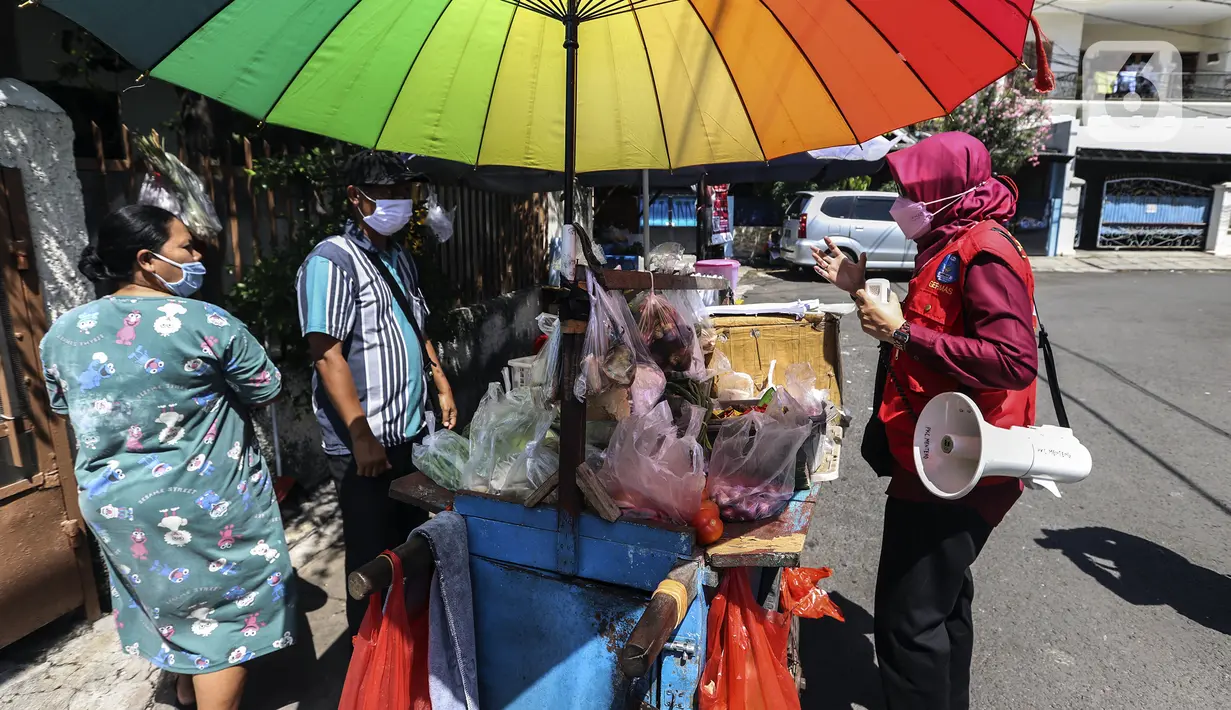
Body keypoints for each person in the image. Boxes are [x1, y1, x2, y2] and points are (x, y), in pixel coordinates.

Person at [813, 132, 1039, 710]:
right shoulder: (949, 241)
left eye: (912, 190)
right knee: (943, 603)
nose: (900, 201)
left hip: (964, 464)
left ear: (949, 190)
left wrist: (903, 333)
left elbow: (1013, 361)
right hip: (933, 449)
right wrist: (858, 287)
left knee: (907, 624)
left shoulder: (986, 251)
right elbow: (935, 327)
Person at [40, 205, 294, 710]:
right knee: (224, 624)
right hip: (204, 503)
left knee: (171, 606)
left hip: (117, 507)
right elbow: (266, 386)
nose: (198, 256)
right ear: (147, 259)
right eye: (186, 246)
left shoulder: (62, 333)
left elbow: (66, 404)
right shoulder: (205, 322)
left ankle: (184, 689)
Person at [295, 150, 456, 636]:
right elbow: (327, 355)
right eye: (383, 192)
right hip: (364, 443)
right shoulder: (332, 262)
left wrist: (439, 379)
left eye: (401, 192)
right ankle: (365, 660)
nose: (396, 202)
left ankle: (402, 648)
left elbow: (414, 324)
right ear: (355, 197)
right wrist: (361, 435)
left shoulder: (399, 256)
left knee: (405, 547)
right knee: (369, 562)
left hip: (406, 432)